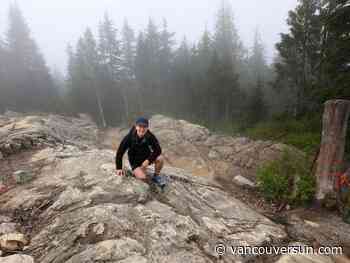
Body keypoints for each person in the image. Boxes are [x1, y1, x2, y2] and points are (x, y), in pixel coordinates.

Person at [115, 117, 165, 187]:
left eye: (144, 127)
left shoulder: (149, 136)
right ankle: (136, 172)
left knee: (160, 159)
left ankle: (156, 176)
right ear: (136, 126)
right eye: (140, 126)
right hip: (135, 161)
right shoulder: (129, 137)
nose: (142, 129)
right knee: (143, 179)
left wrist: (148, 160)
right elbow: (120, 152)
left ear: (147, 128)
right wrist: (119, 168)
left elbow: (158, 150)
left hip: (146, 157)